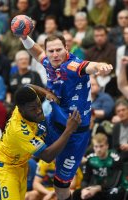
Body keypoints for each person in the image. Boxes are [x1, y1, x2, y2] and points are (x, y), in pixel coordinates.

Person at [18, 30, 113, 200]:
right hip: (52, 122)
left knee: (60, 186)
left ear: (66, 48)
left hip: (75, 135)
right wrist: (24, 37)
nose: (55, 54)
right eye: (51, 51)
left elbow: (88, 65)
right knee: (18, 141)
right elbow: (37, 52)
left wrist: (100, 66)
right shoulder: (48, 61)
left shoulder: (73, 66)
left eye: (59, 50)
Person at [0, 85, 81, 200]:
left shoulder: (26, 100)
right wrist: (69, 130)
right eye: (33, 109)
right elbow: (47, 156)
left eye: (38, 104)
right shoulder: (19, 130)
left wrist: (46, 93)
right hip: (4, 167)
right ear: (21, 110)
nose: (39, 110)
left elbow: (28, 86)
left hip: (20, 164)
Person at [72, 133, 125, 200]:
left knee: (111, 195)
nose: (98, 149)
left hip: (115, 187)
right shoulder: (90, 159)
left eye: (101, 146)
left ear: (107, 146)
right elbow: (85, 179)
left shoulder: (115, 158)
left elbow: (115, 182)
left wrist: (98, 188)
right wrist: (84, 189)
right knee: (77, 193)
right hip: (96, 187)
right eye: (96, 146)